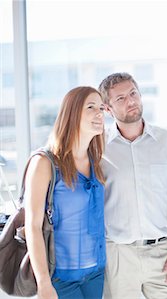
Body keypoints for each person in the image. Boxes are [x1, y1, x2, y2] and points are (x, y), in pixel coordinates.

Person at [98, 72, 167, 299]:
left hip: (162, 254)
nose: (130, 101)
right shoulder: (99, 148)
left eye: (133, 93)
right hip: (118, 255)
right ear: (108, 109)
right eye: (120, 98)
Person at [25, 86, 106, 299]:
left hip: (96, 272)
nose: (99, 113)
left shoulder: (96, 161)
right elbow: (32, 226)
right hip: (61, 278)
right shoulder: (44, 162)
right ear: (72, 113)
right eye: (91, 107)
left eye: (101, 107)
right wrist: (43, 281)